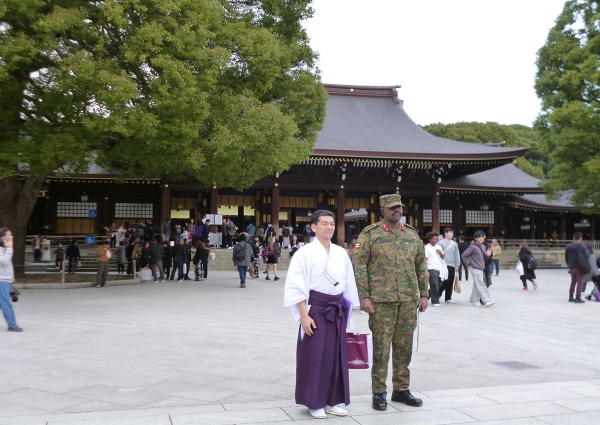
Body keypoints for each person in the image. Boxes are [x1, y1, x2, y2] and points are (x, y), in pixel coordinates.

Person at [354, 194, 428, 411]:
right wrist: (364, 296)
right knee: (381, 348)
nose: (397, 210)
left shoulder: (412, 235)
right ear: (383, 211)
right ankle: (379, 392)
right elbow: (360, 266)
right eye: (393, 207)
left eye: (399, 207)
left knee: (404, 346)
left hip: (407, 299)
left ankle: (401, 389)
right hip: (381, 301)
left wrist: (423, 294)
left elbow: (421, 266)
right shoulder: (370, 234)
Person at [283, 210, 360, 419]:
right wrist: (303, 316)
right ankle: (313, 402)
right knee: (314, 356)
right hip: (315, 308)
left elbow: (348, 284)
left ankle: (331, 401)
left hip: (336, 309)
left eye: (332, 224)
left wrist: (347, 312)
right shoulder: (304, 253)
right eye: (324, 223)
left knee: (335, 356)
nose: (329, 227)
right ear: (313, 227)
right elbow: (296, 287)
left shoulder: (341, 253)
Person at [461, 230, 495, 307]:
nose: (481, 238)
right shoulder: (472, 247)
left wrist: (488, 254)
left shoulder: (483, 246)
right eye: (478, 237)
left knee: (477, 284)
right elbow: (464, 255)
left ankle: (473, 301)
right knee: (481, 283)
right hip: (474, 268)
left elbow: (485, 257)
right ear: (475, 238)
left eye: (482, 237)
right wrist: (468, 264)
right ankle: (487, 300)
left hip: (481, 267)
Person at [0, 228, 22, 332]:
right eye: (9, 234)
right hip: (2, 281)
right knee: (6, 303)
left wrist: (10, 276)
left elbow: (6, 265)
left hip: (5, 280)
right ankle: (12, 325)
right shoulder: (3, 250)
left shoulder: (4, 249)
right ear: (3, 237)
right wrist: (9, 249)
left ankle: (12, 324)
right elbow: (4, 261)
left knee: (2, 303)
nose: (12, 236)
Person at [437, 228, 460, 303]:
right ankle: (439, 294)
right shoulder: (440, 243)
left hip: (452, 265)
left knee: (450, 281)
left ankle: (448, 297)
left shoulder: (454, 243)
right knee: (444, 281)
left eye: (452, 233)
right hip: (443, 264)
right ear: (445, 233)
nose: (451, 235)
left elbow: (457, 254)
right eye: (450, 233)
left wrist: (457, 265)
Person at [565, 232, 589, 303]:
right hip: (580, 266)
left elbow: (566, 257)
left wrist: (569, 264)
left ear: (573, 237)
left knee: (573, 281)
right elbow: (587, 256)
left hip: (572, 266)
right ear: (581, 238)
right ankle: (578, 297)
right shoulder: (583, 246)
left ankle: (571, 296)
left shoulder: (568, 246)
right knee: (580, 282)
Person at [424, 232, 444, 307]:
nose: (436, 240)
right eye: (434, 239)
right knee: (434, 285)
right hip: (431, 268)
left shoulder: (438, 247)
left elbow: (442, 257)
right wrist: (426, 270)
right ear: (430, 239)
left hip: (439, 268)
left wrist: (440, 253)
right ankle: (435, 301)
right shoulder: (427, 247)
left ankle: (426, 296)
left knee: (440, 284)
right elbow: (425, 259)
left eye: (437, 239)